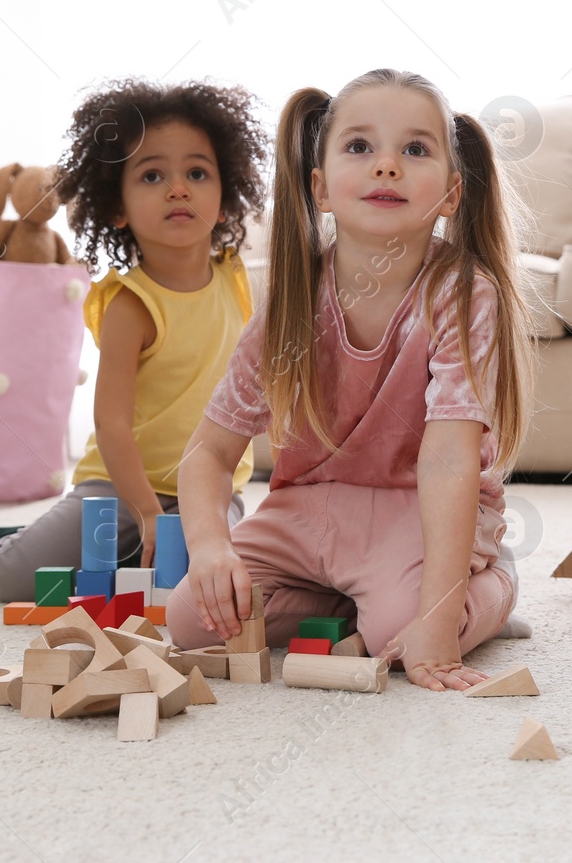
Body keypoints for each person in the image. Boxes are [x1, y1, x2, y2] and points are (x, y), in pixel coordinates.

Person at [166, 68, 534, 690]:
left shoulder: (465, 294)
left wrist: (440, 622)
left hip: (419, 509)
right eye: (360, 147)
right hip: (308, 508)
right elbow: (208, 451)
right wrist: (210, 548)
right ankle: (358, 599)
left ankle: (492, 582)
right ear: (321, 188)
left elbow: (448, 461)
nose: (386, 166)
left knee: (404, 633)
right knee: (191, 620)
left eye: (414, 150)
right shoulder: (290, 302)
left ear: (449, 193)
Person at [0, 78, 271, 602]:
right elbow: (110, 423)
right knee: (17, 583)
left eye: (197, 173)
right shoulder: (129, 303)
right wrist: (145, 512)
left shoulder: (236, 279)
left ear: (225, 201)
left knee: (208, 583)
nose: (177, 188)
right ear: (117, 208)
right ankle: (1, 547)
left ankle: (121, 558)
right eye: (153, 174)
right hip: (116, 490)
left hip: (207, 490)